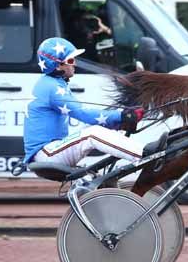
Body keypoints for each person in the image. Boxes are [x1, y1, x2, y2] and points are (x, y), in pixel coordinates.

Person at [22, 37, 166, 167]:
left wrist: (118, 123)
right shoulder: (51, 86)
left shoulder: (53, 83)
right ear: (58, 66)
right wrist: (122, 115)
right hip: (46, 155)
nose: (75, 64)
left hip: (50, 151)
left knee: (95, 130)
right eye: (71, 60)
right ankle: (145, 154)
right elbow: (83, 114)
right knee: (92, 133)